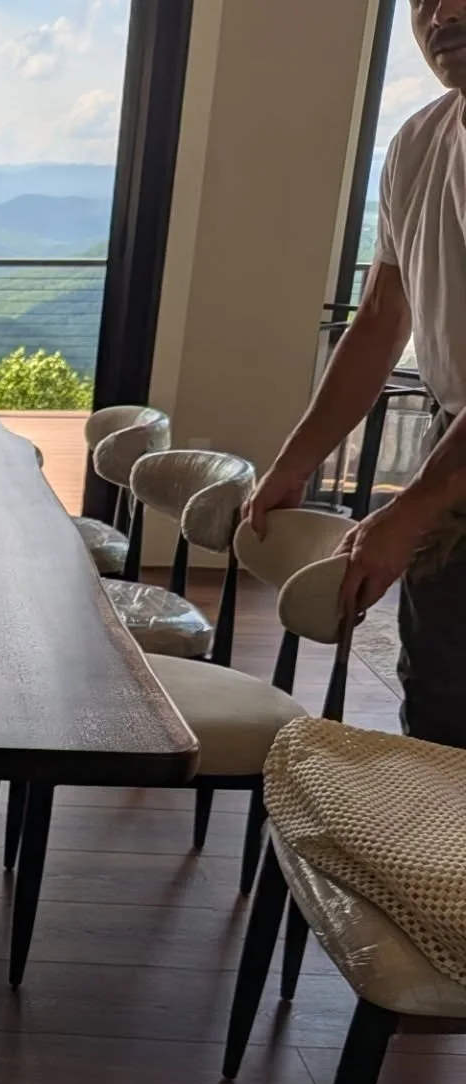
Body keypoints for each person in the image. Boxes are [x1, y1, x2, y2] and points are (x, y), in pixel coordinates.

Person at [245, 0, 466, 746]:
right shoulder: (419, 141)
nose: (444, 12)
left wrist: (405, 514)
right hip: (452, 433)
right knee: (439, 692)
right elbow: (378, 319)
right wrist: (294, 462)